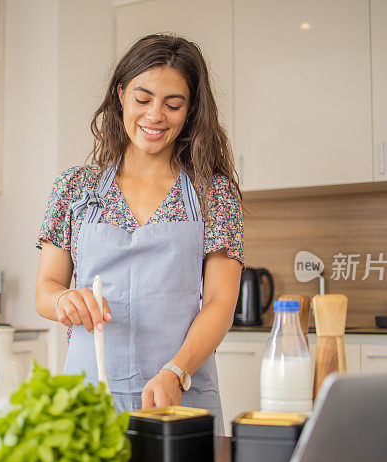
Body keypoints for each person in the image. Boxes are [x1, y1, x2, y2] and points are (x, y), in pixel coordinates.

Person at [35, 34, 244, 435]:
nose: (155, 116)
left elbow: (220, 302)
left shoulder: (212, 193)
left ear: (191, 110)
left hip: (179, 395)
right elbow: (45, 289)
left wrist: (175, 371)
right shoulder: (74, 187)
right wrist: (65, 299)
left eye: (173, 104)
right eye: (142, 99)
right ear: (120, 95)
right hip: (89, 397)